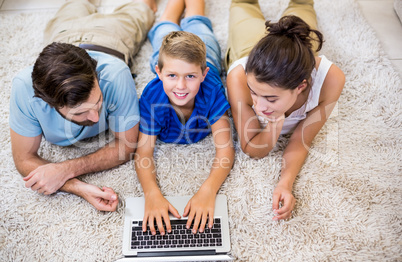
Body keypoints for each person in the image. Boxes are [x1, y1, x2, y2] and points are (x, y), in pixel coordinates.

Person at [9, 0, 156, 212]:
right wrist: (79, 187)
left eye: (98, 102)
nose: (96, 118)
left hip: (110, 38)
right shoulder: (24, 89)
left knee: (143, 9)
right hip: (63, 34)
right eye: (81, 113)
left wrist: (65, 168)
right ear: (49, 103)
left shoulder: (115, 75)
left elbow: (125, 146)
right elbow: (23, 159)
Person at [225, 0, 345, 220]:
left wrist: (285, 183)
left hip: (291, 55)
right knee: (243, 6)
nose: (259, 107)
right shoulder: (239, 77)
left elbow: (301, 140)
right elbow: (251, 148)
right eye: (254, 93)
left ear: (300, 87)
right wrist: (275, 122)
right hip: (250, 51)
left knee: (302, 11)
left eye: (270, 98)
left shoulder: (331, 79)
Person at [134, 0, 234, 236]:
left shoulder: (211, 90)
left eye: (190, 76)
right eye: (171, 76)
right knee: (163, 29)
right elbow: (143, 152)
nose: (181, 86)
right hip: (169, 55)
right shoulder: (153, 96)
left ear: (203, 75)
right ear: (158, 73)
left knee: (197, 21)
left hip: (204, 50)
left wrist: (208, 191)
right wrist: (151, 193)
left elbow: (226, 150)